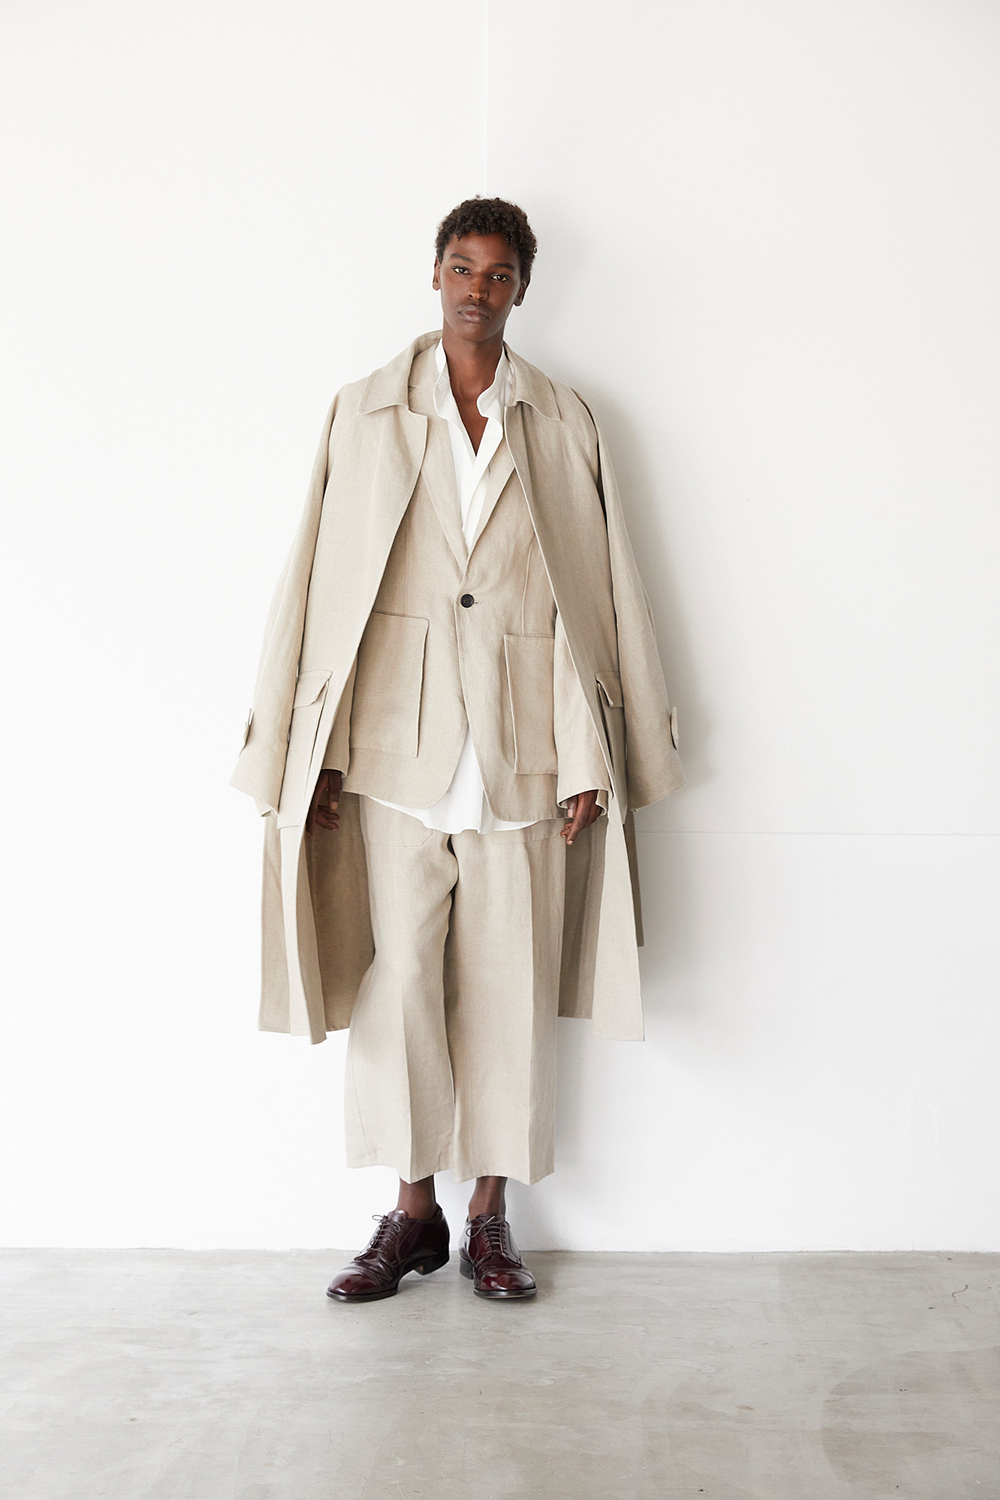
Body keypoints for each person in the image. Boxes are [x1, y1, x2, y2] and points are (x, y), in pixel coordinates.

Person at [231, 197, 684, 1303]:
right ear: (434, 275)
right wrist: (311, 748)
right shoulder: (363, 412)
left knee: (508, 992)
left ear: (522, 288)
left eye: (497, 273)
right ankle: (412, 1213)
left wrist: (590, 753)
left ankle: (488, 1216)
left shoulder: (564, 420)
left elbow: (594, 600)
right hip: (395, 747)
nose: (477, 289)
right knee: (399, 992)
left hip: (525, 752)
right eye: (461, 268)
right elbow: (320, 587)